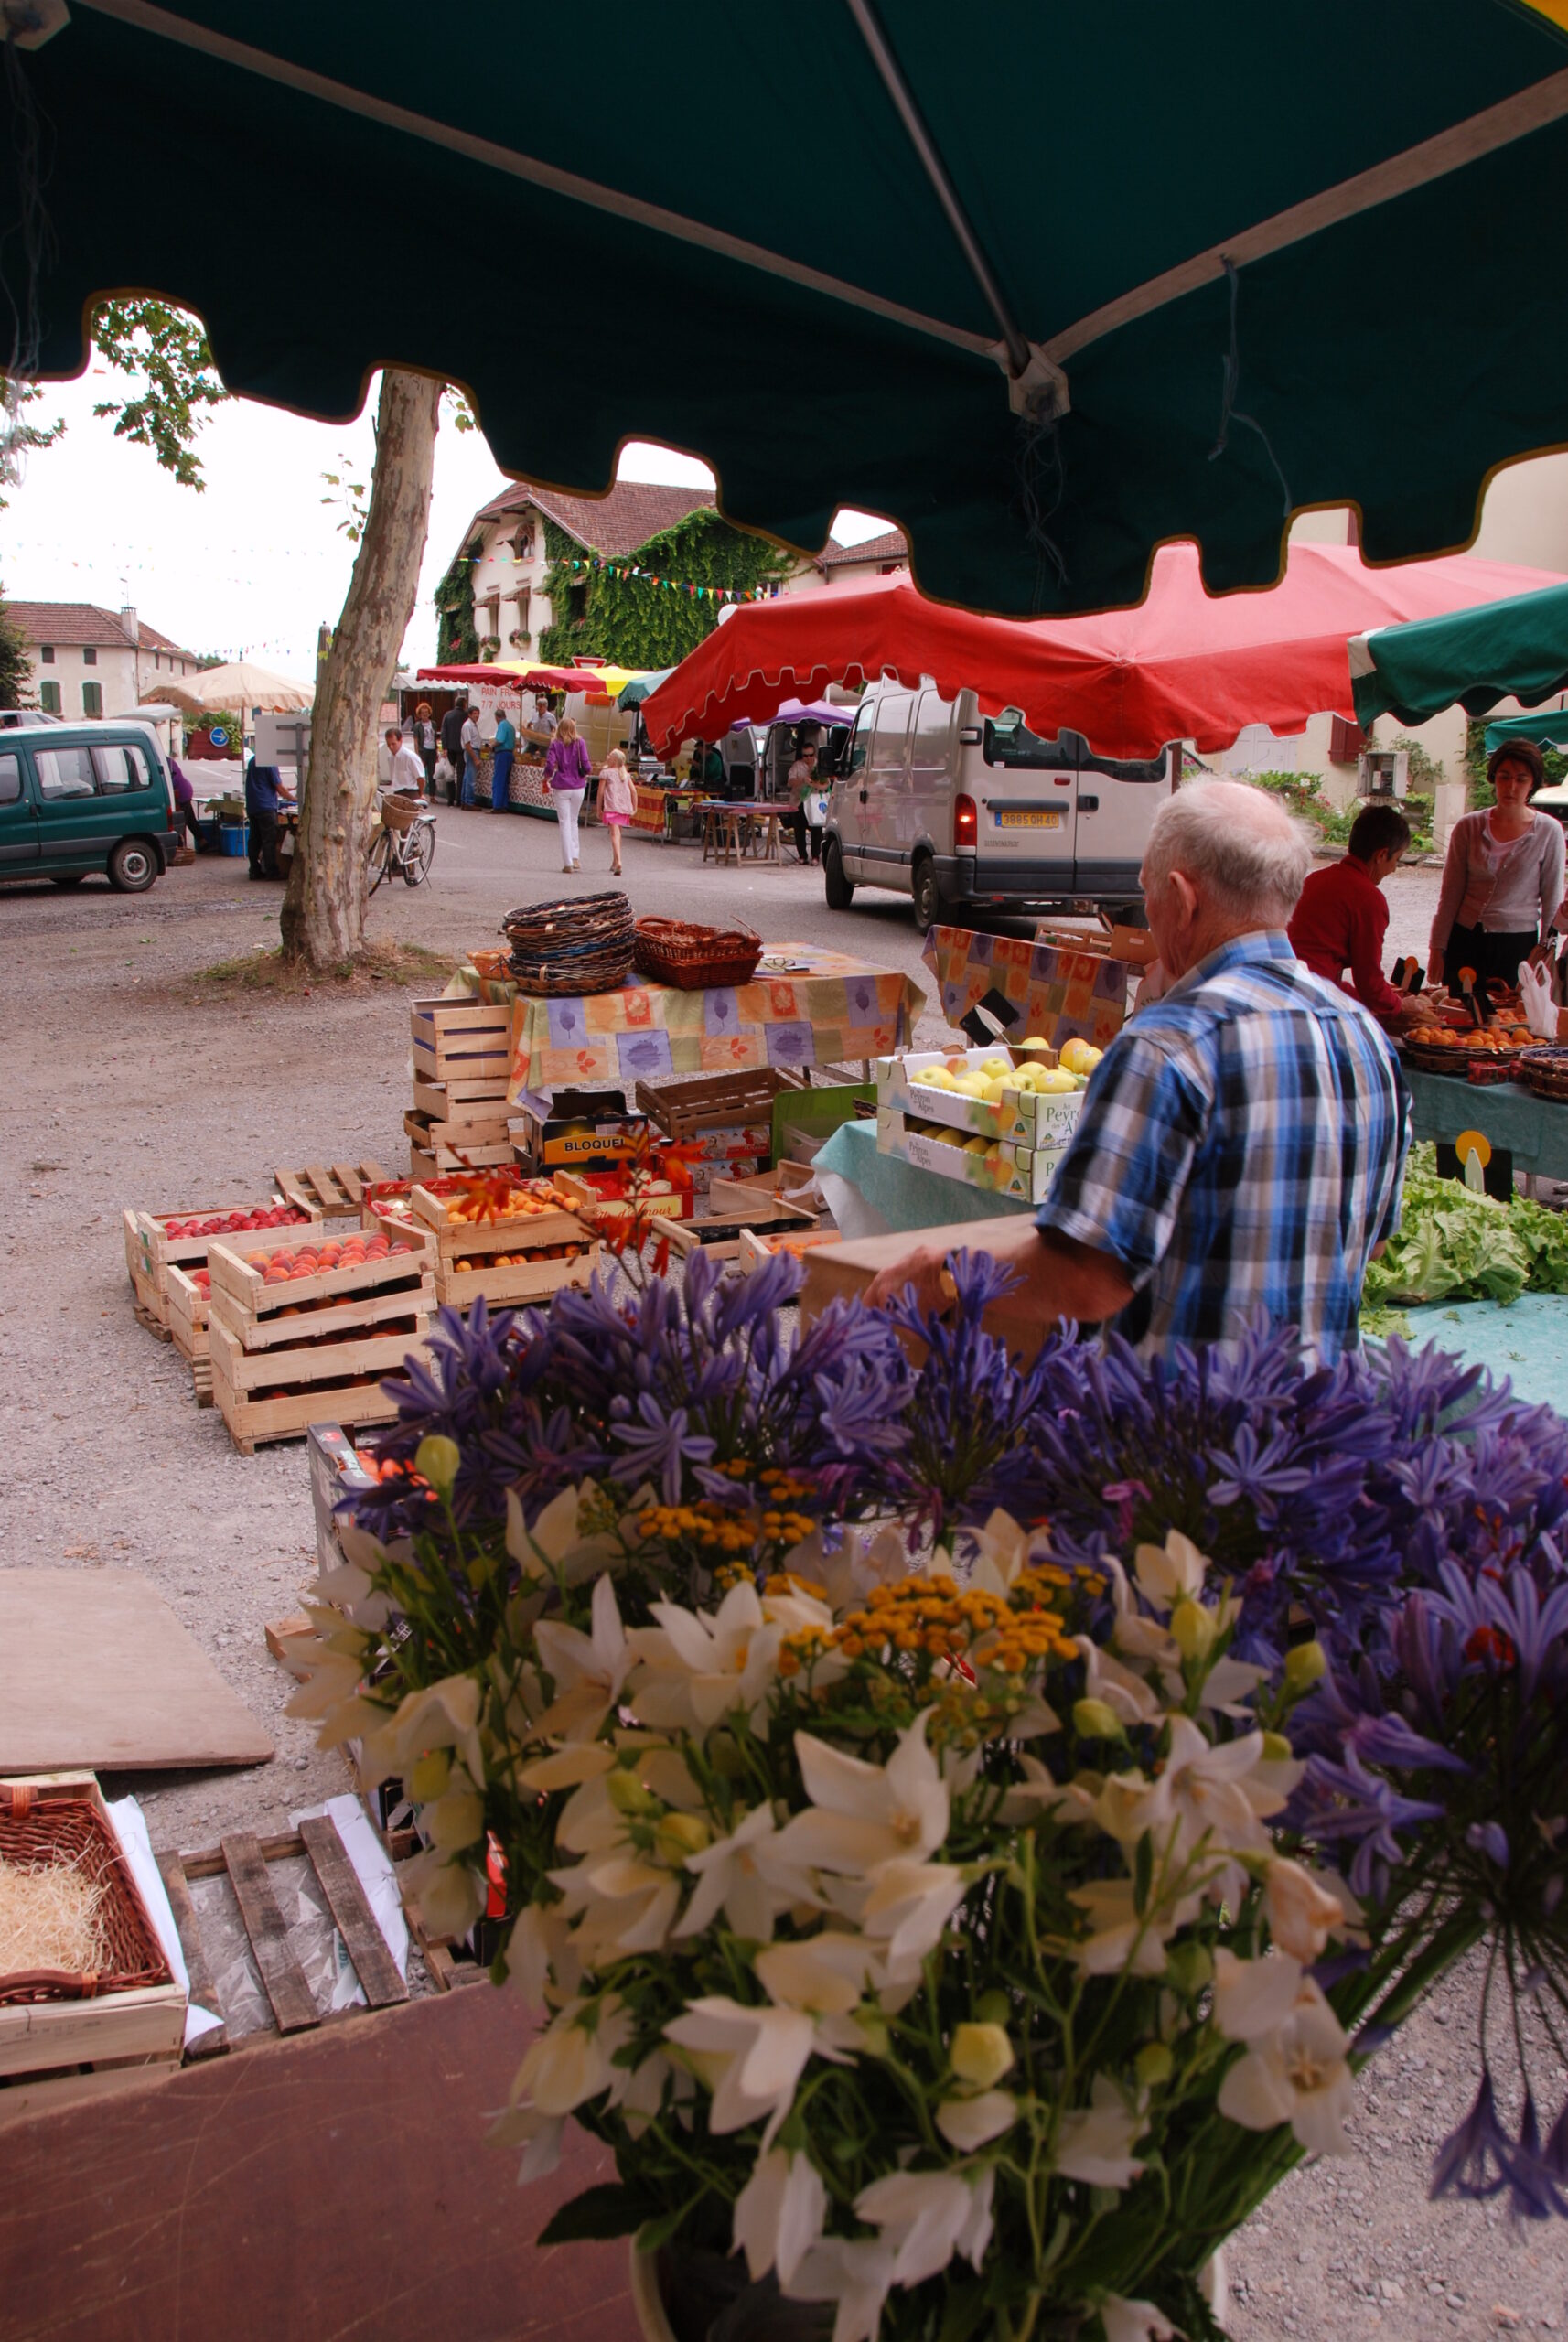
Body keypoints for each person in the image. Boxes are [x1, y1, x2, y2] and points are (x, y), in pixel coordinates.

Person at [865, 779, 1410, 1369]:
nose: (1147, 912)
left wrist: (948, 1276)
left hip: (1176, 1440)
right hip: (1317, 1434)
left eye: (1147, 892)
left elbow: (1086, 1280)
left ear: (1181, 896)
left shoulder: (1167, 1045)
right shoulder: (1364, 1035)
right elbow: (1370, 1241)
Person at [1429, 738, 1565, 995]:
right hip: (1466, 938)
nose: (1511, 787)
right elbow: (1450, 895)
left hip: (1517, 944)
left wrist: (1546, 957)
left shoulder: (1549, 831)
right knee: (1458, 1018)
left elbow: (1552, 900)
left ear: (1532, 784)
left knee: (1509, 1026)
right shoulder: (1468, 827)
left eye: (1521, 779)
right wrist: (1437, 947)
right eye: (1504, 777)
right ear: (1494, 778)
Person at [1287, 802, 1438, 1030]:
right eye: (1396, 860)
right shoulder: (1368, 898)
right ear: (1381, 855)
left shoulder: (1316, 879)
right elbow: (1369, 982)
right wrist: (1398, 1006)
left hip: (1289, 986)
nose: (1394, 869)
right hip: (1314, 1001)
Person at [544, 715, 593, 871]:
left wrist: (546, 777)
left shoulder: (555, 744)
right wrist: (585, 772)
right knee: (573, 821)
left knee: (564, 822)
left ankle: (568, 863)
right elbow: (586, 764)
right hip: (578, 785)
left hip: (562, 786)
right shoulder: (580, 743)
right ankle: (575, 856)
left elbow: (550, 765)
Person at [244, 754, 289, 881]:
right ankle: (272, 871)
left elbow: (263, 782)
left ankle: (254, 869)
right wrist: (295, 799)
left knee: (255, 839)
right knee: (269, 840)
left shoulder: (253, 760)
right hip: (266, 806)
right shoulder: (269, 762)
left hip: (253, 805)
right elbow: (279, 787)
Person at [598, 747, 636, 877]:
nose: (607, 756)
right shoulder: (625, 774)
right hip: (624, 807)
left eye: (610, 755)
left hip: (612, 805)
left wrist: (599, 808)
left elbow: (601, 793)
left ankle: (619, 861)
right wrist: (634, 807)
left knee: (614, 834)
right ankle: (614, 861)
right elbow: (633, 791)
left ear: (613, 760)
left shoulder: (606, 773)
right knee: (618, 833)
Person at [787, 739, 821, 864]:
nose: (808, 758)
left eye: (811, 755)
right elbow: (790, 781)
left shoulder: (819, 765)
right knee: (799, 829)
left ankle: (815, 856)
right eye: (805, 755)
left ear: (814, 754)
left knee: (816, 829)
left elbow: (826, 782)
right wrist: (802, 780)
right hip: (799, 801)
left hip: (815, 801)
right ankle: (802, 856)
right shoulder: (797, 765)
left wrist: (815, 781)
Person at [383, 726, 425, 799]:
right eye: (388, 744)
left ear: (400, 741)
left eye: (393, 744)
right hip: (397, 793)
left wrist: (420, 794)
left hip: (411, 793)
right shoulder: (390, 758)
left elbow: (421, 779)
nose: (391, 747)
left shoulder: (410, 757)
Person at [491, 705, 516, 813]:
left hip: (502, 754)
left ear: (497, 717)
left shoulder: (502, 725)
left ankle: (497, 805)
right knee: (505, 780)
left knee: (499, 779)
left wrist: (492, 746)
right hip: (510, 754)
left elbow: (500, 740)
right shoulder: (511, 726)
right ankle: (504, 804)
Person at [459, 705, 483, 809]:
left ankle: (465, 801)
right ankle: (469, 801)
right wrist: (475, 758)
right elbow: (467, 744)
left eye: (478, 713)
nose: (477, 716)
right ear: (469, 714)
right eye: (474, 713)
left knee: (467, 777)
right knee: (471, 778)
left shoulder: (473, 725)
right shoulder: (467, 726)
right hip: (472, 751)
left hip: (474, 751)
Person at [413, 701, 437, 793]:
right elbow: (416, 741)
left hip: (432, 750)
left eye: (426, 712)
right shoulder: (417, 725)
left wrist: (437, 751)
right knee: (421, 773)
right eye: (422, 713)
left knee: (432, 774)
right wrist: (417, 754)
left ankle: (432, 794)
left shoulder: (434, 724)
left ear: (429, 713)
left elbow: (435, 738)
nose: (425, 714)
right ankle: (420, 792)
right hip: (423, 750)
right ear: (419, 714)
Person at [439, 697, 467, 779]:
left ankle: (451, 792)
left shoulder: (447, 715)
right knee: (460, 773)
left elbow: (443, 732)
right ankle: (459, 792)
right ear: (464, 705)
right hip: (461, 748)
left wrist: (444, 747)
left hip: (450, 748)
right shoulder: (465, 716)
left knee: (449, 772)